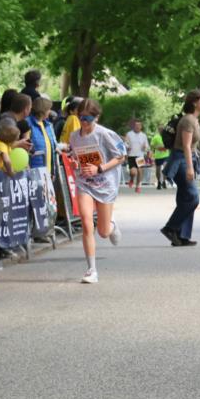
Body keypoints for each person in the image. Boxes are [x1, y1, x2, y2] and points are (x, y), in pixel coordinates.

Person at [68, 98, 125, 284]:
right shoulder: (74, 136)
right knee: (86, 223)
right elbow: (76, 156)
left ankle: (111, 225)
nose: (84, 122)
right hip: (85, 183)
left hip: (105, 184)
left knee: (102, 232)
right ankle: (91, 270)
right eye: (81, 117)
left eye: (88, 118)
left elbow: (121, 156)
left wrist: (99, 168)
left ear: (96, 118)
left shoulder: (105, 135)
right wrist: (76, 163)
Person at [161, 89, 200, 247]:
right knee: (193, 197)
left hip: (187, 159)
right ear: (194, 102)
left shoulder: (194, 119)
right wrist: (189, 168)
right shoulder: (188, 120)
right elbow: (186, 146)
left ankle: (182, 236)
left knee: (184, 198)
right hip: (181, 160)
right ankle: (170, 228)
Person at [124, 119, 149, 192]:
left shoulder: (143, 135)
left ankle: (138, 186)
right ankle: (131, 179)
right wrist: (127, 147)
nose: (137, 127)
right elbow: (125, 143)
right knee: (133, 172)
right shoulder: (129, 134)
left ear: (141, 127)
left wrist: (145, 148)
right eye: (136, 125)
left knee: (140, 171)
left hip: (140, 156)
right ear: (134, 126)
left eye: (139, 125)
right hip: (131, 155)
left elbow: (147, 146)